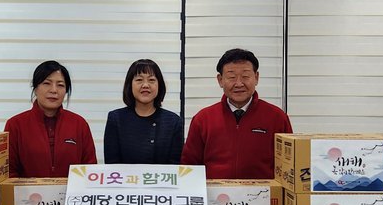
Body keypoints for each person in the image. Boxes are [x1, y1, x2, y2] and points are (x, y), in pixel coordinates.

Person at [181, 47, 292, 179]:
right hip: (214, 192)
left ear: (256, 77)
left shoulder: (277, 117)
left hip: (263, 192)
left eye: (245, 76)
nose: (239, 83)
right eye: (231, 77)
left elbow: (289, 165)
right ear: (220, 80)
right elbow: (189, 166)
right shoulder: (203, 119)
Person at [4, 60, 96, 177]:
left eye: (60, 85)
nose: (54, 90)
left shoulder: (79, 124)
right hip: (27, 189)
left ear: (66, 91)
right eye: (47, 83)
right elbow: (9, 172)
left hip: (71, 189)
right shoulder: (15, 124)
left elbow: (90, 169)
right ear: (35, 88)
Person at [104, 58, 184, 165]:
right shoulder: (116, 119)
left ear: (159, 85)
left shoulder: (173, 122)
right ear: (130, 85)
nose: (145, 85)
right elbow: (112, 166)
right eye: (139, 80)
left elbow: (175, 168)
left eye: (151, 80)